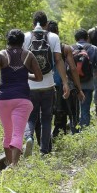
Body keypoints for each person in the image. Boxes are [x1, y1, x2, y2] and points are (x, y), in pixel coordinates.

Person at [0, 29, 43, 166]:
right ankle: (14, 165)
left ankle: (8, 163)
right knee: (18, 133)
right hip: (22, 99)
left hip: (4, 99)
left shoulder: (0, 55)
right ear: (22, 41)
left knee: (8, 133)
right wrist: (25, 75)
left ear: (8, 40)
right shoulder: (28, 55)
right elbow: (39, 77)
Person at [22, 11, 70, 156]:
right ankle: (45, 151)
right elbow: (58, 60)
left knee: (31, 117)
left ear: (33, 23)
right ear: (47, 24)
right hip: (48, 85)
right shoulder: (53, 37)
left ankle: (29, 137)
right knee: (47, 118)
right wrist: (65, 83)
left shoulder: (25, 37)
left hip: (30, 85)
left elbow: (21, 61)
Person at [48, 21, 85, 138]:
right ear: (57, 32)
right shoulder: (64, 48)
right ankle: (74, 134)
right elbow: (73, 69)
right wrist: (79, 89)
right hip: (63, 84)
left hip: (46, 84)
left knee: (50, 114)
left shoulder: (42, 47)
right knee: (71, 113)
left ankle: (52, 138)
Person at [71, 29, 97, 128]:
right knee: (85, 108)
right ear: (87, 37)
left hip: (73, 84)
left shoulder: (70, 48)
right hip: (88, 83)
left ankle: (74, 130)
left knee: (74, 109)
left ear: (75, 38)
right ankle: (84, 130)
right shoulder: (93, 48)